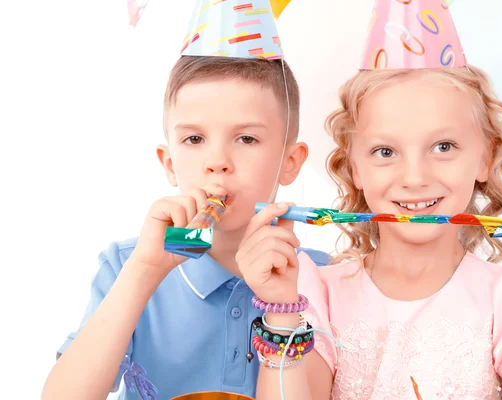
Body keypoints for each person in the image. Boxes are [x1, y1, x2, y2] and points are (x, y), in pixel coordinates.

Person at [237, 1, 502, 399]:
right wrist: (280, 314)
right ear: (354, 167)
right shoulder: (317, 294)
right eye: (385, 152)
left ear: (487, 156)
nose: (414, 178)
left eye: (443, 146)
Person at [42, 1, 329, 399]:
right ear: (170, 162)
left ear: (290, 161)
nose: (217, 163)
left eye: (246, 138)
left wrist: (282, 308)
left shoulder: (324, 279)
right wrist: (144, 270)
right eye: (194, 139)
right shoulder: (127, 263)